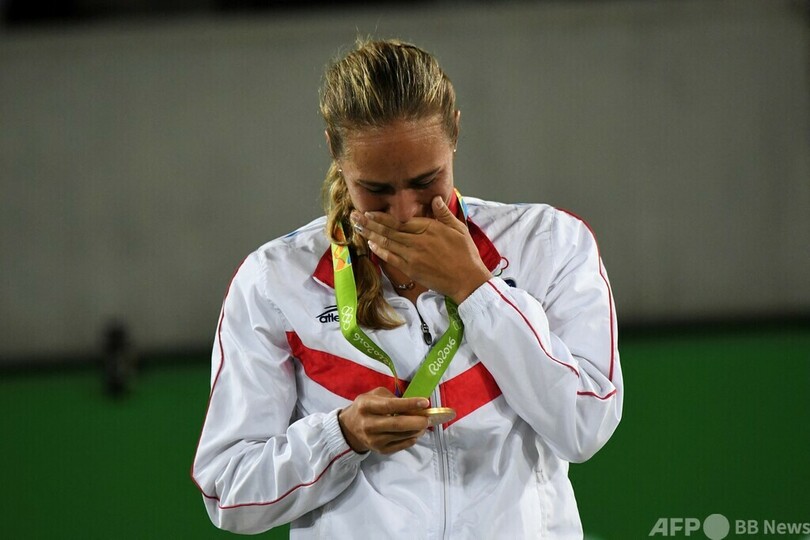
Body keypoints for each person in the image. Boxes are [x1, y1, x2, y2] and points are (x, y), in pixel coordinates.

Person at [191, 38, 622, 539]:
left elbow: (585, 425)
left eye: (426, 180)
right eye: (376, 189)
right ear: (335, 149)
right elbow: (229, 490)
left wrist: (475, 288)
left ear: (456, 131)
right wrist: (341, 435)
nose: (404, 210)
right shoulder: (275, 281)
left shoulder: (548, 244)